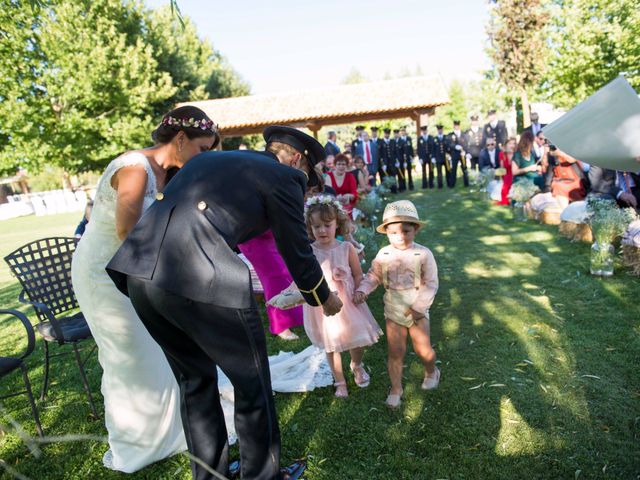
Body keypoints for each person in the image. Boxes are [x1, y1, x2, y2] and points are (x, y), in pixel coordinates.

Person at [106, 125, 342, 480]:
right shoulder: (284, 177)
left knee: (194, 383)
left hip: (139, 275)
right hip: (199, 279)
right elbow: (297, 253)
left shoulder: (214, 160)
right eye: (308, 176)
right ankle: (261, 475)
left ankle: (210, 474)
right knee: (252, 383)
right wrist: (325, 298)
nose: (305, 186)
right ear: (296, 159)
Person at [71, 106, 219, 473]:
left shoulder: (166, 173)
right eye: (202, 148)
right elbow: (127, 234)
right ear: (180, 139)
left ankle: (171, 426)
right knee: (128, 351)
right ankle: (138, 438)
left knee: (155, 344)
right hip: (103, 274)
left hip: (133, 268)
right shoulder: (135, 169)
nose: (204, 158)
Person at [353, 200, 439, 409]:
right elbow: (374, 275)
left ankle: (431, 370)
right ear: (386, 233)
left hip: (417, 308)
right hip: (393, 308)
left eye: (405, 231)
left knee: (423, 349)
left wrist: (420, 307)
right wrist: (364, 289)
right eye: (393, 233)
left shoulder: (424, 254)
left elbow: (431, 283)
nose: (399, 237)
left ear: (415, 229)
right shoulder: (385, 254)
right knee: (395, 351)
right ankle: (396, 388)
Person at [302, 196, 382, 397]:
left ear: (337, 223)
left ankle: (357, 364)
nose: (321, 230)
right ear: (310, 227)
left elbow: (357, 273)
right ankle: (340, 381)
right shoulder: (308, 252)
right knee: (331, 343)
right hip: (323, 305)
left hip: (348, 300)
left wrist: (359, 290)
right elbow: (304, 277)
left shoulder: (346, 248)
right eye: (316, 226)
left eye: (327, 225)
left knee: (358, 338)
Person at [238, 231, 303, 340]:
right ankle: (280, 325)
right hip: (253, 236)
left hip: (270, 232)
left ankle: (295, 315)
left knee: (285, 274)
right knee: (274, 279)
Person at [446, 120, 468, 188]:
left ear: (459, 126)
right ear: (453, 126)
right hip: (454, 154)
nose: (456, 127)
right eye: (455, 125)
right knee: (454, 169)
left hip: (462, 154)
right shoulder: (450, 135)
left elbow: (466, 143)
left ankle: (466, 183)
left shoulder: (463, 134)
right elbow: (449, 144)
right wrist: (455, 146)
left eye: (458, 125)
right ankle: (452, 184)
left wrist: (465, 151)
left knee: (464, 168)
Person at [497, 137, 516, 205]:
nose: (512, 145)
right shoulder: (502, 154)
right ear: (506, 144)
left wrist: (512, 153)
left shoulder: (517, 153)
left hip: (516, 175)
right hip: (507, 175)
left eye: (514, 143)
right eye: (510, 143)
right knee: (505, 188)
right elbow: (502, 169)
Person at [429, 124, 447, 189]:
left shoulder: (446, 137)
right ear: (437, 130)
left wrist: (449, 155)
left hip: (445, 157)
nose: (440, 131)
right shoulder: (435, 139)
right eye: (439, 130)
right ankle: (440, 185)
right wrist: (433, 157)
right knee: (439, 172)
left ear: (442, 130)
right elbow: (432, 149)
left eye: (441, 129)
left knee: (448, 171)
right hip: (438, 158)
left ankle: (449, 183)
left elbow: (448, 147)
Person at [380, 128, 397, 193]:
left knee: (393, 176)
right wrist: (383, 164)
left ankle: (394, 190)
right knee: (385, 177)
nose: (387, 135)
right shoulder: (381, 142)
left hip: (392, 162)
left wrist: (396, 161)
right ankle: (387, 191)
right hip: (385, 163)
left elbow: (395, 152)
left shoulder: (393, 141)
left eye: (388, 133)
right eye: (386, 133)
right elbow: (380, 154)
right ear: (384, 134)